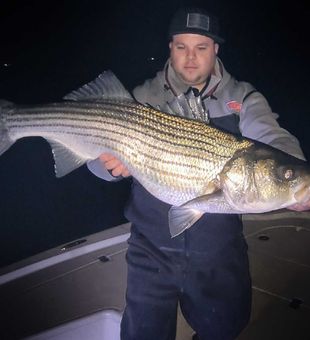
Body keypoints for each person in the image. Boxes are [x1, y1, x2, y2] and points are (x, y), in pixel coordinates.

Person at [88, 7, 310, 340]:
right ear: (170, 48)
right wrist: (108, 166)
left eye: (201, 48)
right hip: (151, 247)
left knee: (225, 327)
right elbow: (94, 162)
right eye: (182, 47)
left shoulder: (243, 98)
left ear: (216, 49)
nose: (191, 58)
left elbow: (272, 138)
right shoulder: (142, 98)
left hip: (219, 250)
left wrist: (293, 171)